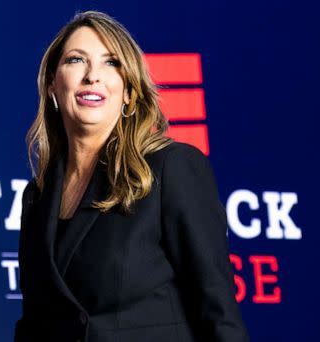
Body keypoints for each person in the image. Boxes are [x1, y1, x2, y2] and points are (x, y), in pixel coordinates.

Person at [14, 10, 250, 342]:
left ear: (128, 91)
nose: (92, 76)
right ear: (52, 84)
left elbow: (217, 309)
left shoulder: (172, 167)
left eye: (111, 63)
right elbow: (34, 325)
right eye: (76, 60)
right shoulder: (36, 198)